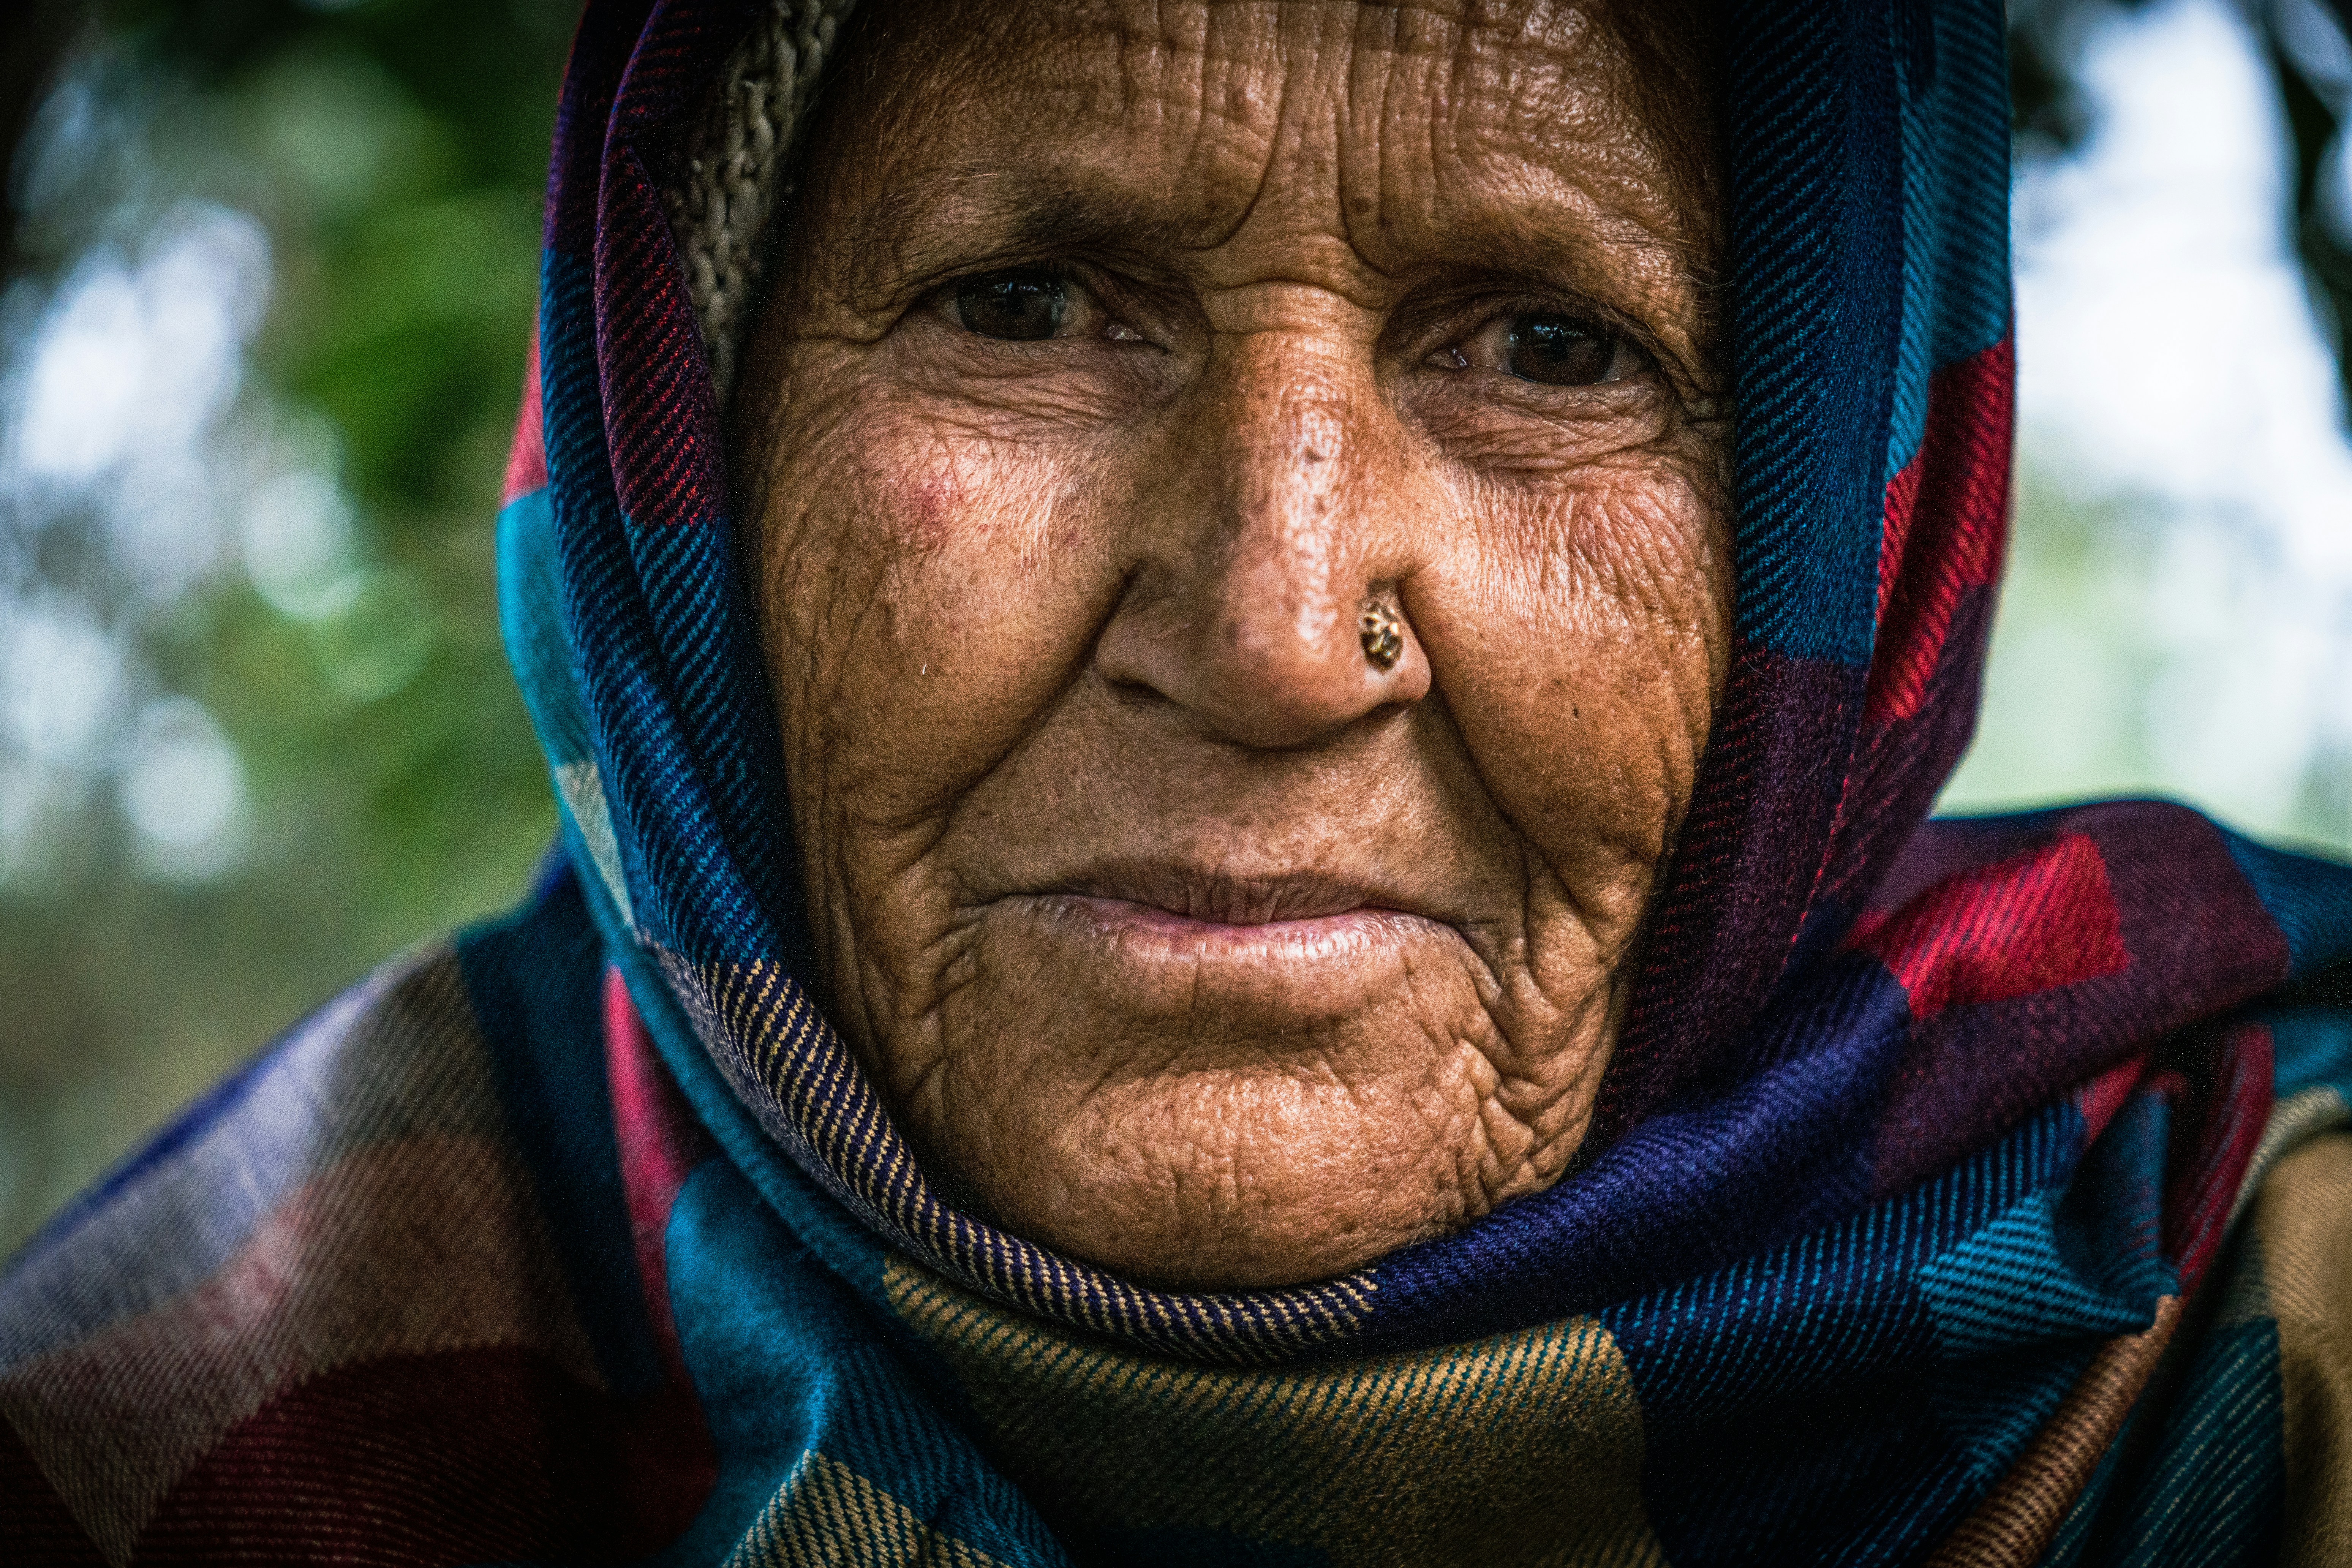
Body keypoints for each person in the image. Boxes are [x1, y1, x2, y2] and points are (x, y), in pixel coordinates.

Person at [4, 0, 2351, 1562]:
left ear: (1844, 542)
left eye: (1549, 345)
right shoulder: (191, 1442)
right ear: (683, 462)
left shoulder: (2246, 1367)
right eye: (1025, 302)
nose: (1267, 626)